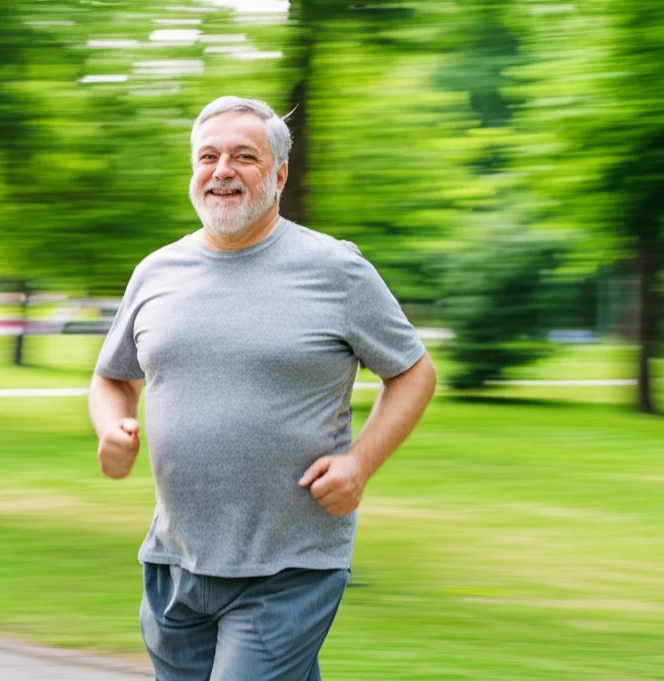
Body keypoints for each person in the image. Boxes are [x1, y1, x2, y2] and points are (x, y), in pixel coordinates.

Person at [87, 96, 437, 680]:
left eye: (243, 156)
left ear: (278, 174)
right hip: (175, 561)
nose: (222, 170)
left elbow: (414, 371)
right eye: (208, 156)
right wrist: (111, 428)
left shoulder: (336, 270)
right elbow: (112, 377)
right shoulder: (156, 272)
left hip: (289, 564)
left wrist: (359, 466)